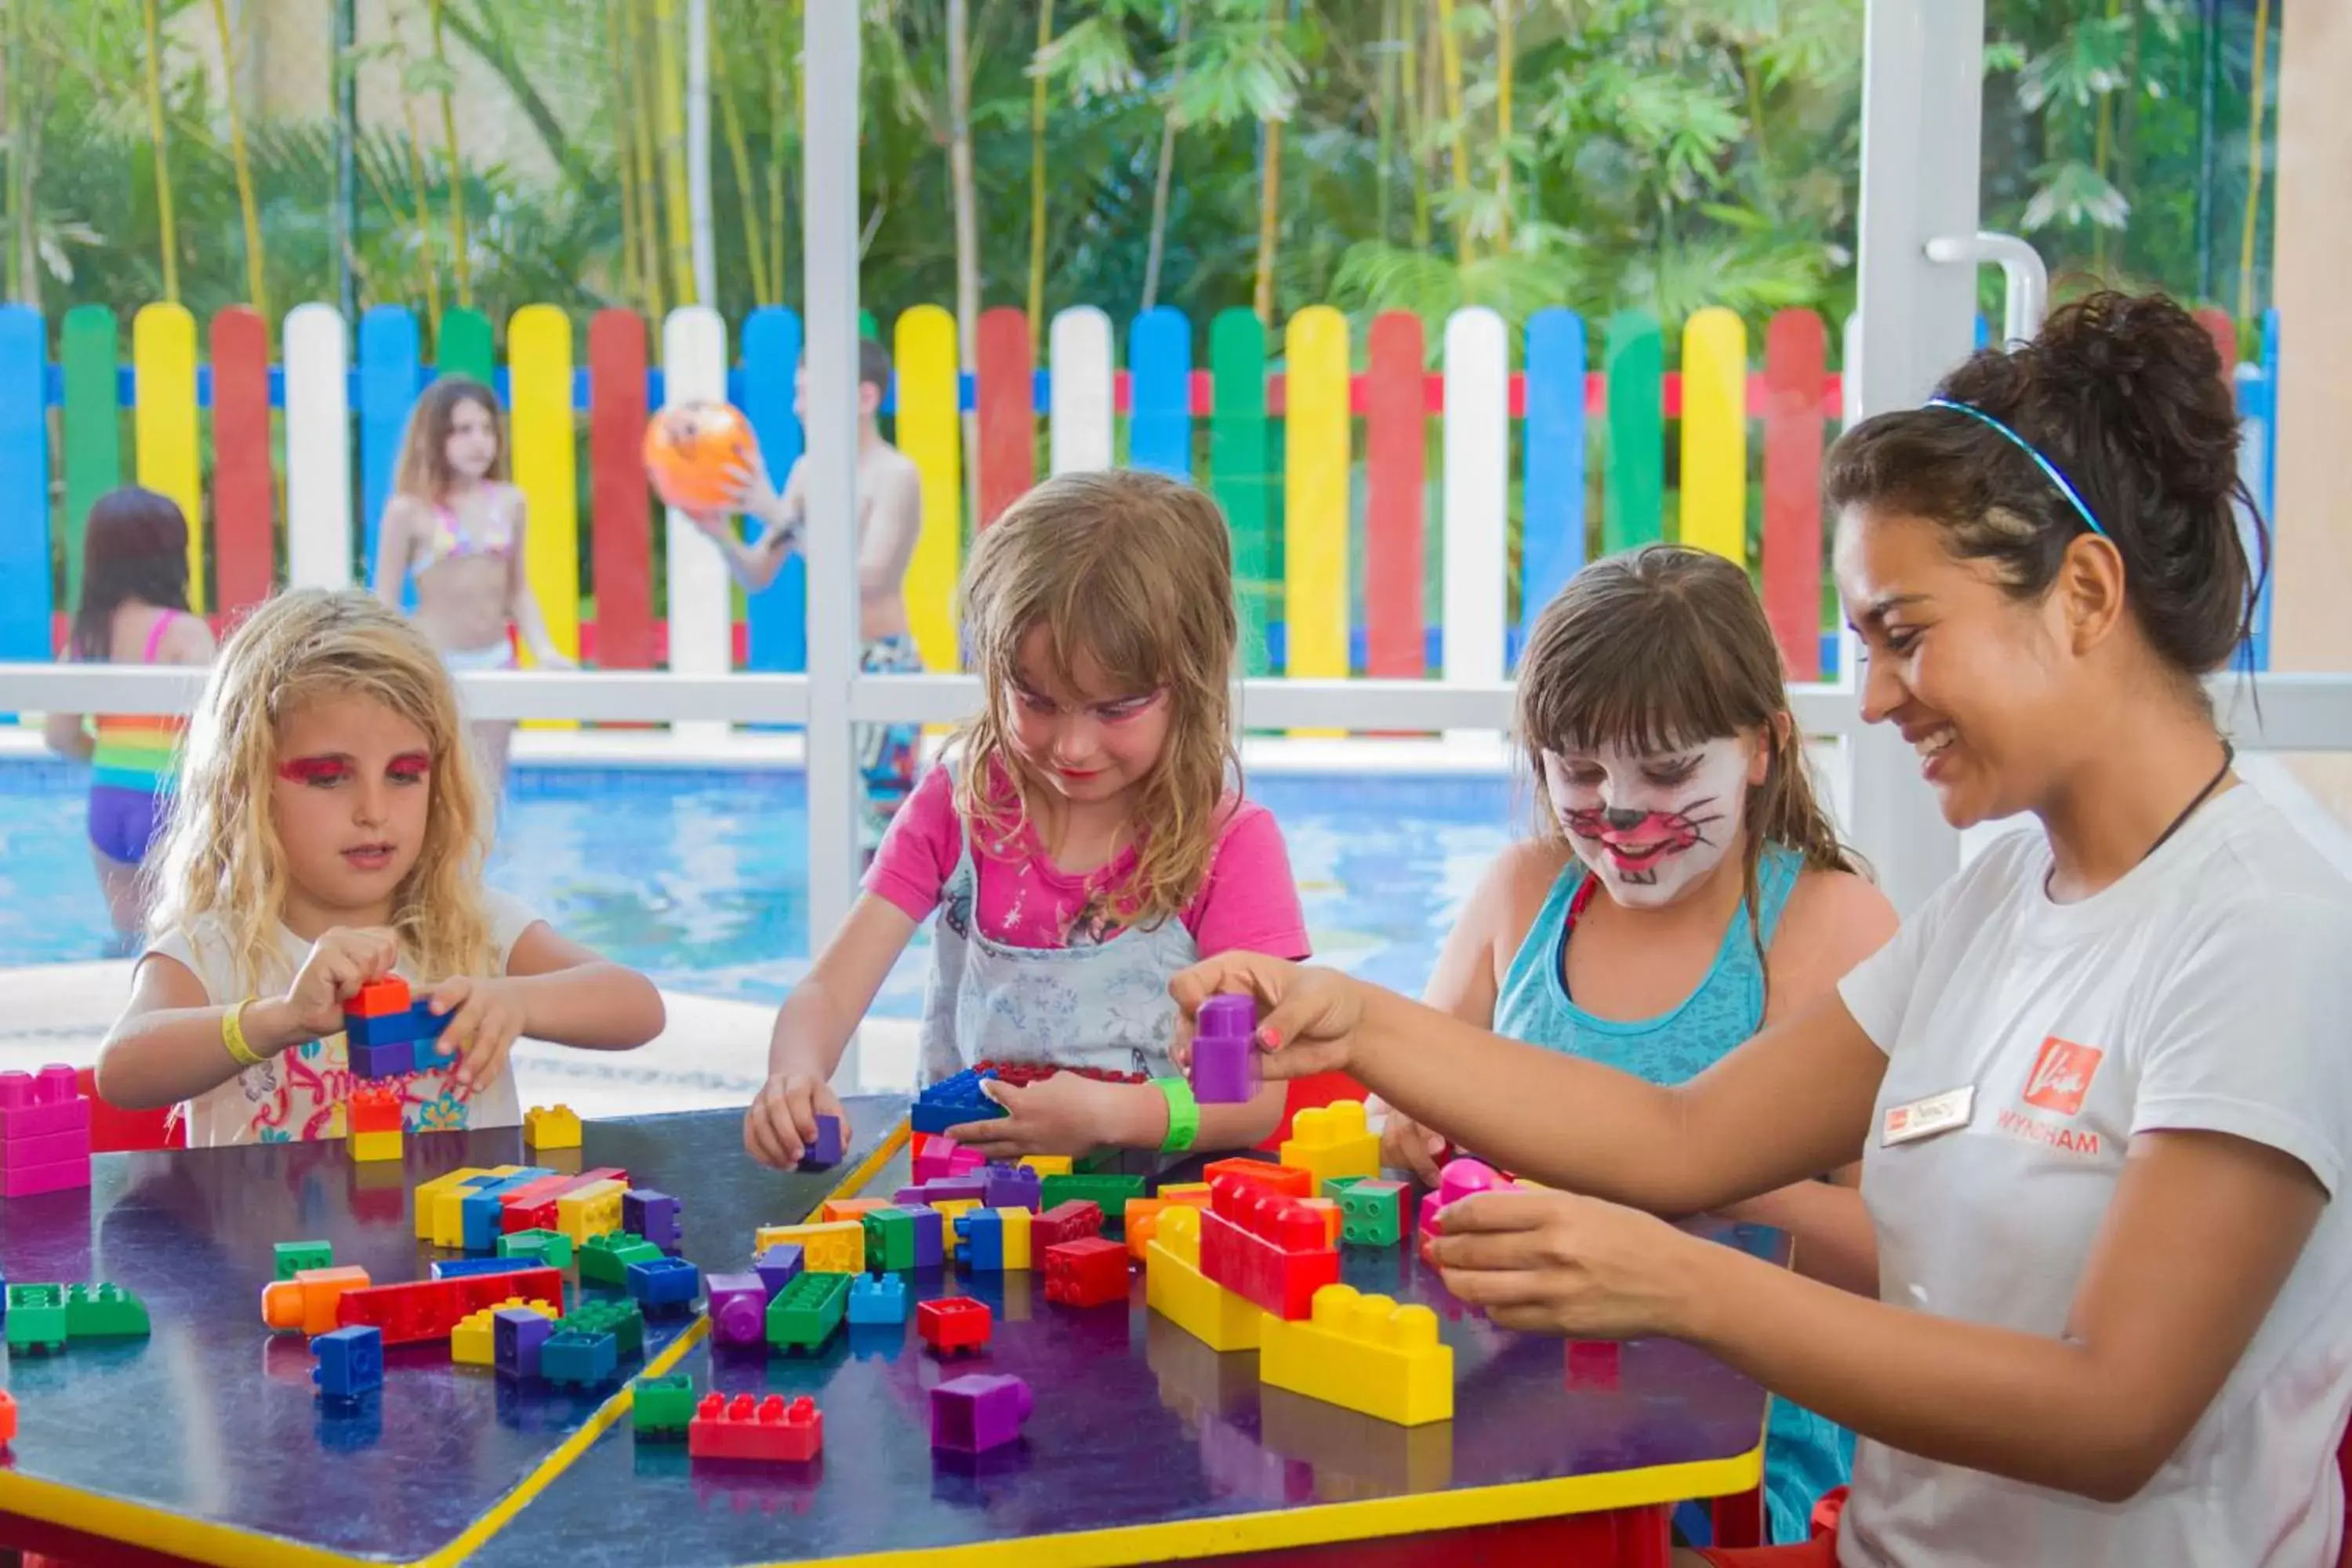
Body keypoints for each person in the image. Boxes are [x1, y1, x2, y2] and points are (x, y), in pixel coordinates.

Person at [1174, 292, 2352, 1568]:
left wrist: (1683, 1284)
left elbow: (2113, 1413)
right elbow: (1684, 1135)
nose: (1875, 696)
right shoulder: (2005, 898)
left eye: (1904, 635)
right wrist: (1356, 1017)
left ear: (2082, 593)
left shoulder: (2268, 923)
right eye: (1860, 643)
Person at [1392, 543, 1896, 1543]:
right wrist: (1399, 1123)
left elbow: (1900, 1264)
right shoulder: (1523, 899)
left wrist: (1692, 1167)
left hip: (1742, 1475)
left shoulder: (1830, 929)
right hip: (1513, 1418)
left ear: (1762, 745)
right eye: (1578, 769)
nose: (1619, 810)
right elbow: (1404, 1118)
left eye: (1667, 769)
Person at [742, 470, 1308, 1169]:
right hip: (968, 1206)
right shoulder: (958, 805)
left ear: (1192, 681)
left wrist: (1107, 1116)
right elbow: (830, 987)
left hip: (1157, 1223)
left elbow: (1252, 1103)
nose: (1071, 746)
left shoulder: (1229, 844)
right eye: (1036, 700)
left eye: (1115, 709)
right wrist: (794, 1074)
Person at [97, 589, 663, 1145]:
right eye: (329, 777)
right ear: (249, 787)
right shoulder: (214, 948)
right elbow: (123, 1068)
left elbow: (636, 1005)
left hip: (456, 1242)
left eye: (403, 774)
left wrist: (518, 1001)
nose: (373, 811)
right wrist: (282, 1019)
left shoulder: (466, 922)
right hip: (261, 1242)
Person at [684, 338, 924, 848]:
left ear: (863, 398)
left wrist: (777, 514)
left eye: (808, 394)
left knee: (885, 839)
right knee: (831, 827)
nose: (797, 407)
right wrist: (717, 531)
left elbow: (867, 579)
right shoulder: (807, 473)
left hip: (882, 667)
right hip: (826, 667)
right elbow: (758, 573)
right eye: (797, 394)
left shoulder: (895, 475)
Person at [371, 376, 574, 797]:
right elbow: (385, 599)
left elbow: (518, 590)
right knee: (437, 785)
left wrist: (546, 650)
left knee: (490, 787)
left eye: (486, 429)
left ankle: (485, 864)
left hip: (497, 659)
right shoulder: (408, 510)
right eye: (463, 431)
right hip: (436, 665)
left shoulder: (510, 503)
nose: (479, 442)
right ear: (435, 436)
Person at [42, 488, 218, 951]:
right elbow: (215, 729)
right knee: (178, 947)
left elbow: (59, 735)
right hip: (165, 801)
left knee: (126, 944)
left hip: (107, 802)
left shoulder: (86, 638)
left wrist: (104, 753)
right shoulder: (182, 634)